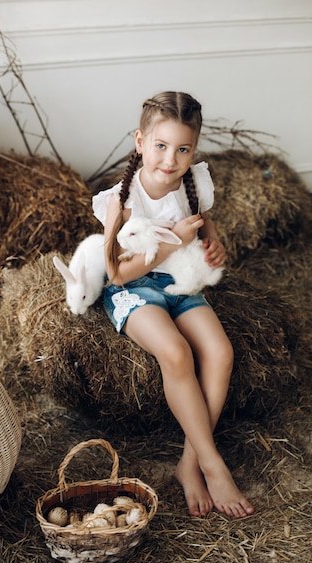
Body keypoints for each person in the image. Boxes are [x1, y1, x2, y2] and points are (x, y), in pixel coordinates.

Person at [92, 91, 254, 518]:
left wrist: (211, 243)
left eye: (183, 149)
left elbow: (203, 223)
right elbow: (114, 272)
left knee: (220, 352)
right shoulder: (121, 200)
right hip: (135, 289)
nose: (171, 159)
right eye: (161, 146)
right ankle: (213, 463)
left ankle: (189, 462)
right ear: (140, 141)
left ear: (194, 150)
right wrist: (173, 244)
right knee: (176, 352)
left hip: (181, 282)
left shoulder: (193, 181)